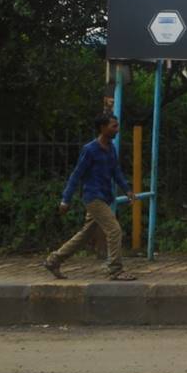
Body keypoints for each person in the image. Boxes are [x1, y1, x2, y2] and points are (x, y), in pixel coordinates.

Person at [44, 112, 137, 280]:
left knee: (85, 235)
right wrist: (66, 199)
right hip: (93, 197)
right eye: (113, 126)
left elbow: (116, 171)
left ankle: (53, 260)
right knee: (114, 230)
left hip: (104, 196)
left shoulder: (111, 148)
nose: (117, 129)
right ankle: (116, 270)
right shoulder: (90, 149)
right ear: (103, 128)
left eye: (117, 126)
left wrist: (127, 190)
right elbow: (76, 175)